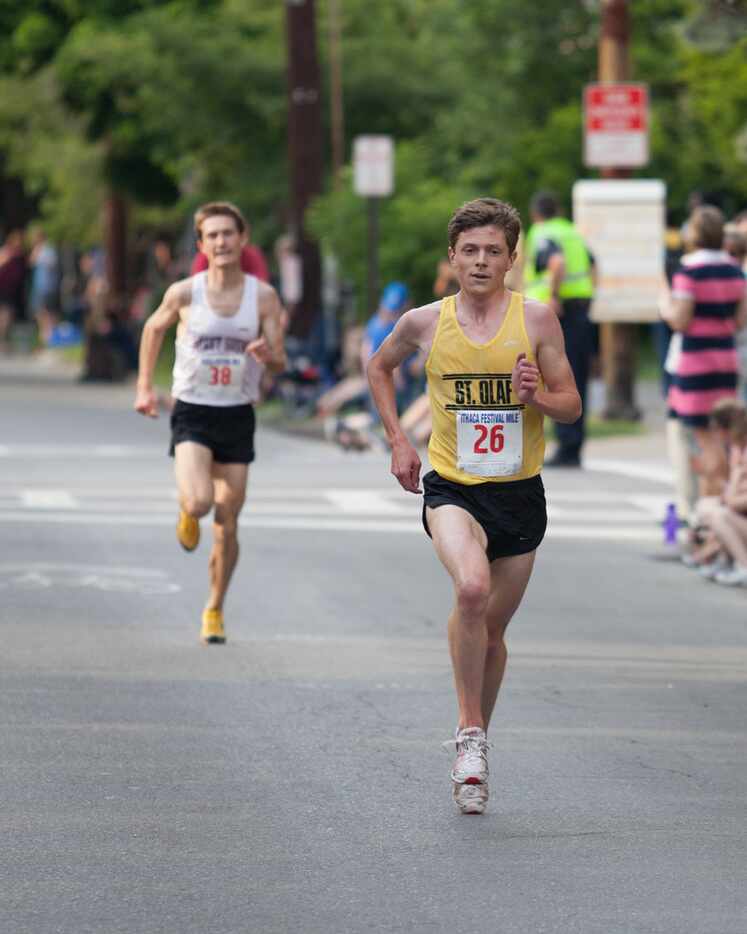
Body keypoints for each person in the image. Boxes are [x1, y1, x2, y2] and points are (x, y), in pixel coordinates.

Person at [367, 198, 581, 814]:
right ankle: (469, 736)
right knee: (471, 591)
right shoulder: (423, 323)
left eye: (493, 251)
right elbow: (379, 369)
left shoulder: (537, 321)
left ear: (512, 258)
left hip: (518, 493)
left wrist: (538, 396)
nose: (481, 261)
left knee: (490, 633)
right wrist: (398, 441)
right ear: (452, 258)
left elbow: (572, 406)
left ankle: (477, 741)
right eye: (470, 251)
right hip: (453, 487)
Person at [134, 201, 286, 644]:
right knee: (201, 503)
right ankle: (187, 510)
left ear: (243, 239)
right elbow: (152, 329)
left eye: (228, 234)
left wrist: (267, 355)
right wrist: (144, 386)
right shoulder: (185, 293)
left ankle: (214, 608)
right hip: (194, 410)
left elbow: (279, 360)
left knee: (228, 520)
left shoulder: (264, 297)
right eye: (212, 235)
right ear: (202, 244)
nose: (221, 242)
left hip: (237, 413)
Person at [660, 205, 747, 524]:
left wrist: (665, 307)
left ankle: (720, 510)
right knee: (722, 433)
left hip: (695, 360)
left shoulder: (688, 271)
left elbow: (681, 320)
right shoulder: (734, 270)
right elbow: (739, 321)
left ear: (695, 234)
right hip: (725, 359)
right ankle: (718, 510)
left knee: (704, 438)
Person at [523, 191, 594, 467]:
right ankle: (573, 445)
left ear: (535, 214)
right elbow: (593, 264)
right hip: (580, 308)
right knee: (577, 377)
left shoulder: (543, 232)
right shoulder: (572, 232)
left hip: (558, 311)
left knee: (559, 378)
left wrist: (553, 295)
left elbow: (556, 263)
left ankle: (567, 446)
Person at [190, 218, 269, 283]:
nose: (221, 242)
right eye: (214, 235)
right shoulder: (204, 257)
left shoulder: (252, 254)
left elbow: (261, 283)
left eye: (228, 234)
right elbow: (197, 286)